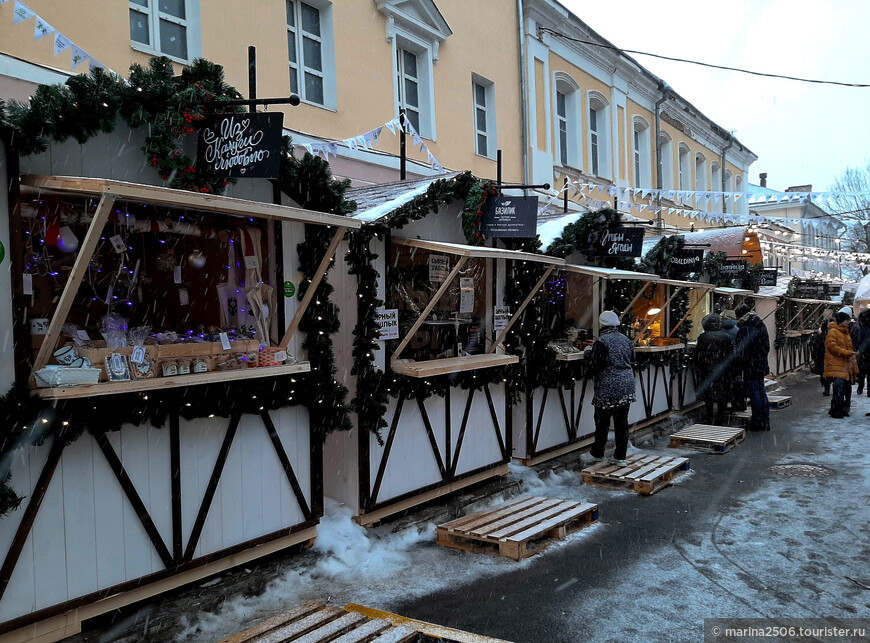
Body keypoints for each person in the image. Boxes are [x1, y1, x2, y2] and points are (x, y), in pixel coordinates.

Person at [586, 310, 636, 465]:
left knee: (602, 421)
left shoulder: (602, 341)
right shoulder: (626, 339)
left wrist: (587, 353)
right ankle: (620, 456)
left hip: (607, 387)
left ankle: (598, 453)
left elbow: (596, 366)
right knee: (622, 422)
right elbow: (633, 359)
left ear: (601, 324)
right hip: (626, 386)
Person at [734, 302, 771, 431]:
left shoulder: (745, 329)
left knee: (754, 393)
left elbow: (740, 351)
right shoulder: (761, 325)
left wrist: (741, 365)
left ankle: (757, 421)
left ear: (740, 316)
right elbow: (767, 347)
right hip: (761, 364)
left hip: (750, 366)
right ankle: (765, 419)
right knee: (761, 392)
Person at [695, 313, 735, 425]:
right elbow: (732, 355)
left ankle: (709, 418)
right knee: (722, 395)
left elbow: (699, 356)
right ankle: (721, 418)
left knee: (709, 396)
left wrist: (701, 368)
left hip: (708, 370)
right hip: (723, 371)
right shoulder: (726, 337)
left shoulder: (703, 337)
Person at [824, 311, 859, 418]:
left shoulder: (845, 332)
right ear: (841, 321)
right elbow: (833, 348)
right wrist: (848, 353)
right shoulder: (833, 332)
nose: (848, 322)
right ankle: (836, 410)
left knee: (846, 389)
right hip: (836, 366)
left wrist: (854, 365)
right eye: (846, 320)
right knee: (838, 388)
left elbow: (849, 349)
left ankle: (841, 409)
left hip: (845, 367)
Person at [720, 309, 745, 410]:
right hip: (736, 361)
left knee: (725, 384)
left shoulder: (720, 331)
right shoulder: (737, 330)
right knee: (737, 383)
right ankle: (738, 403)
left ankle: (724, 405)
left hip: (723, 362)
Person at [810, 310, 833, 396]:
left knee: (825, 373)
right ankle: (828, 387)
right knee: (827, 373)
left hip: (824, 358)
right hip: (824, 357)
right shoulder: (821, 337)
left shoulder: (821, 337)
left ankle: (827, 387)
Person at [850, 309, 870, 396]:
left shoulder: (858, 327)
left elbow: (855, 339)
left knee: (861, 371)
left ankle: (860, 386)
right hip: (867, 352)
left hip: (860, 353)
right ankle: (869, 390)